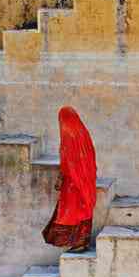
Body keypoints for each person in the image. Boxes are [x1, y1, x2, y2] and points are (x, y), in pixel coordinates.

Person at [42, 106, 98, 253]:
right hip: (86, 179)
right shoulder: (83, 133)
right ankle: (83, 241)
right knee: (83, 210)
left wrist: (61, 178)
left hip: (74, 182)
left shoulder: (69, 136)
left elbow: (68, 161)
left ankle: (79, 243)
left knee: (73, 213)